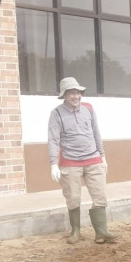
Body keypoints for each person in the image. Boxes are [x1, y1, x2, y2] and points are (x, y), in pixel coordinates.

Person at [48, 77, 117, 244]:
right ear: (64, 95)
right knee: (72, 197)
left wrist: (102, 156)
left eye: (78, 92)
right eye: (72, 93)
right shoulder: (56, 113)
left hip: (93, 158)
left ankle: (101, 232)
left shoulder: (89, 109)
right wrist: (53, 164)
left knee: (99, 194)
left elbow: (96, 133)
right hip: (70, 162)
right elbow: (53, 139)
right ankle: (76, 231)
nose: (76, 96)